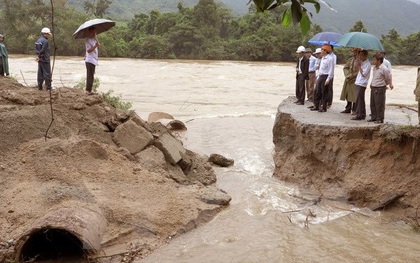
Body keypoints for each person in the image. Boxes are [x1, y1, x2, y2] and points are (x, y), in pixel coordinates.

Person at [367, 52, 393, 124]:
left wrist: (386, 84)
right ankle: (374, 117)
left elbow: (388, 78)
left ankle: (380, 118)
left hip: (380, 88)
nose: (373, 61)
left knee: (379, 104)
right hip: (373, 87)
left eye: (374, 60)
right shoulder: (374, 68)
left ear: (379, 61)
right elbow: (374, 77)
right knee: (373, 103)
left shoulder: (384, 69)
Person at [311, 44, 334, 112]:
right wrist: (317, 77)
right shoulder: (323, 58)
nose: (321, 51)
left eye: (322, 50)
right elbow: (320, 69)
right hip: (321, 76)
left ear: (325, 51)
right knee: (317, 91)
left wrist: (328, 79)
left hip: (326, 76)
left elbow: (331, 70)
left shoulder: (330, 58)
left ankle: (324, 107)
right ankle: (317, 106)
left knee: (324, 92)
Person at [351, 50, 371, 121]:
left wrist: (359, 67)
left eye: (362, 55)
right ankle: (362, 114)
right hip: (358, 82)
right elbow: (356, 69)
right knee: (360, 99)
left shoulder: (368, 64)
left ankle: (359, 114)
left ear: (366, 55)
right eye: (360, 55)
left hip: (362, 83)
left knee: (359, 100)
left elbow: (364, 74)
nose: (360, 56)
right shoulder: (362, 62)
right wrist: (357, 63)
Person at [339, 48, 360, 114]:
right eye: (353, 52)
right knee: (348, 94)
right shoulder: (350, 60)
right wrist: (348, 75)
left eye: (355, 52)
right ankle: (348, 108)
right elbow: (345, 68)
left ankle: (354, 109)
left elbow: (360, 71)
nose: (354, 53)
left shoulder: (360, 61)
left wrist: (353, 76)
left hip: (355, 80)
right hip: (348, 79)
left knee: (354, 95)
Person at [85, 27, 100, 95]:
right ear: (90, 32)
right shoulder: (88, 40)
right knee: (89, 75)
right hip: (90, 60)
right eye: (93, 32)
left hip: (93, 60)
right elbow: (88, 50)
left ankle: (90, 89)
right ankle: (88, 90)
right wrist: (95, 46)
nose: (94, 34)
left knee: (92, 75)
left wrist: (96, 45)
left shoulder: (94, 40)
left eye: (95, 32)